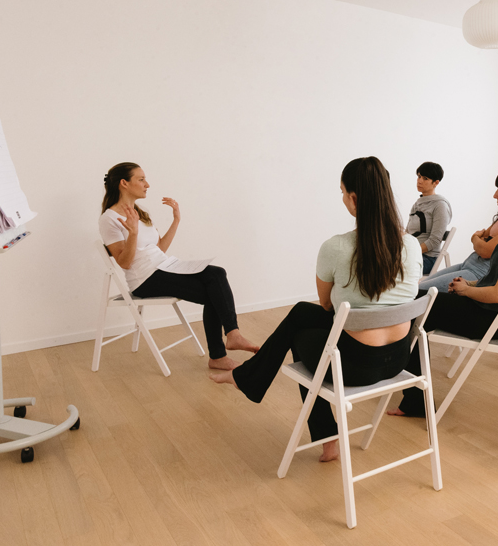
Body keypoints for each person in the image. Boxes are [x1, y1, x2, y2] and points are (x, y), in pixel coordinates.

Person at [210, 157, 422, 462]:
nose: (342, 198)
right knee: (300, 313)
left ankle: (325, 437)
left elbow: (326, 304)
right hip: (398, 359)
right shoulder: (411, 246)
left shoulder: (336, 247)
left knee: (299, 334)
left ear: (354, 198)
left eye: (342, 192)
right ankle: (246, 378)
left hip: (353, 366)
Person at [390, 161, 498, 417]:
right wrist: (470, 285)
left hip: (491, 319)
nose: (495, 195)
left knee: (414, 305)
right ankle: (410, 392)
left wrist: (466, 291)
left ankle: (409, 393)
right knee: (418, 301)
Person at [99, 162, 258, 371]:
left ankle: (232, 336)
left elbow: (160, 249)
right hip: (144, 279)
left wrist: (176, 220)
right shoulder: (109, 219)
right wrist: (133, 233)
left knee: (217, 274)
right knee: (215, 293)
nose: (147, 184)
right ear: (124, 183)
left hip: (164, 266)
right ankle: (220, 354)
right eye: (141, 179)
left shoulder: (141, 212)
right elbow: (124, 263)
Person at [416, 157, 498, 292]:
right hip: (470, 263)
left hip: (480, 270)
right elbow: (484, 237)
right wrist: (480, 240)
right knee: (419, 287)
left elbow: (486, 250)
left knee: (419, 291)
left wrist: (475, 239)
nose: (495, 195)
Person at [406, 161, 452, 274]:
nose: (419, 181)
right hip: (411, 254)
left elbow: (435, 240)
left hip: (427, 258)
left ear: (436, 182)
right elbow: (408, 232)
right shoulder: (417, 203)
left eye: (425, 178)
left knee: (385, 267)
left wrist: (410, 252)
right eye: (419, 176)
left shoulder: (440, 205)